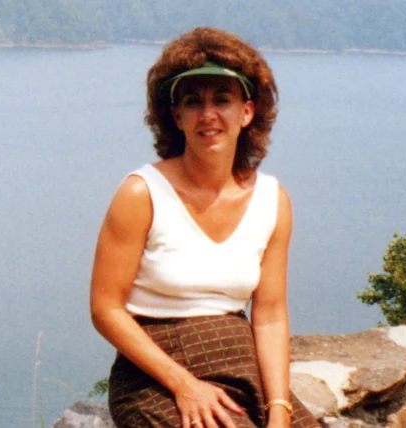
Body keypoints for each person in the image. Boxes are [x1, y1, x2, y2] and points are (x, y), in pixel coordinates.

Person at [90, 27, 321, 428]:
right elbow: (105, 309)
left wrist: (279, 409)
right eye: (193, 101)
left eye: (222, 100)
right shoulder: (142, 193)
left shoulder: (272, 200)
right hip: (155, 372)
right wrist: (184, 384)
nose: (208, 114)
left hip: (240, 363)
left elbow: (269, 315)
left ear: (247, 112)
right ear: (176, 117)